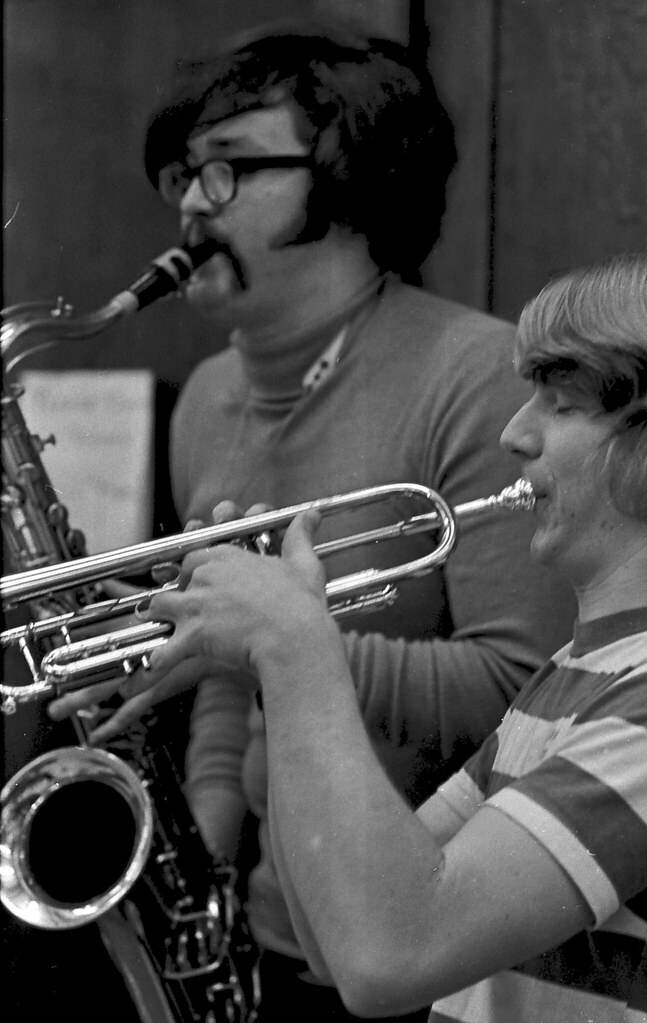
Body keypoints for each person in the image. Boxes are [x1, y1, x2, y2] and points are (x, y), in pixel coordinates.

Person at [85, 249, 647, 1023]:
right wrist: (268, 663)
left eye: (560, 404)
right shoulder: (583, 673)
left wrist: (296, 645)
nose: (514, 433)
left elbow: (388, 957)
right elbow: (335, 934)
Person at [50, 21, 576, 1022]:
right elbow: (225, 677)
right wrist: (197, 866)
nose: (190, 203)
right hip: (272, 924)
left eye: (230, 168)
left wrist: (279, 639)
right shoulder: (209, 399)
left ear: (350, 181)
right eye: (184, 173)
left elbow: (526, 692)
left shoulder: (479, 377)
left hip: (438, 948)